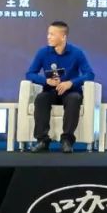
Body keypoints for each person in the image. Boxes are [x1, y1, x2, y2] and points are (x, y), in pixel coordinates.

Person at [25, 21, 95, 153]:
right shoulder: (43, 53)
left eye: (52, 34)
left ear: (63, 37)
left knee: (74, 99)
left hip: (70, 92)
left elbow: (90, 74)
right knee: (41, 99)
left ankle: (67, 140)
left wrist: (71, 83)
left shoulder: (77, 53)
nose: (48, 37)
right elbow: (30, 74)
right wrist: (46, 81)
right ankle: (42, 140)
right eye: (48, 34)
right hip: (50, 91)